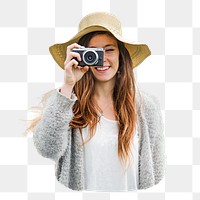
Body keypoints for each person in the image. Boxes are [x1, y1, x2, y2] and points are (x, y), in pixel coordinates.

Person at [28, 12, 165, 192]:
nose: (102, 59)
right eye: (92, 52)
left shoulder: (146, 107)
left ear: (120, 55)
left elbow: (156, 172)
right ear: (80, 55)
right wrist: (68, 85)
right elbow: (47, 149)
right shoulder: (64, 102)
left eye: (109, 50)